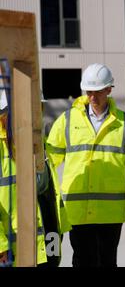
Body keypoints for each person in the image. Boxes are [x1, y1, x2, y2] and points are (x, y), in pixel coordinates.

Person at [46, 63, 125, 267]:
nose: (92, 97)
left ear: (109, 90)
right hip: (78, 209)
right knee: (82, 260)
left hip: (110, 212)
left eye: (98, 92)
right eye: (89, 92)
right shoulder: (67, 120)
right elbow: (49, 159)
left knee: (107, 261)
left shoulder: (124, 124)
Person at [0, 90, 71, 267]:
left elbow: (49, 189)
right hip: (15, 245)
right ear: (5, 115)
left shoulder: (40, 143)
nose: (34, 116)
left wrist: (59, 230)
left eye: (38, 108)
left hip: (50, 232)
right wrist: (0, 245)